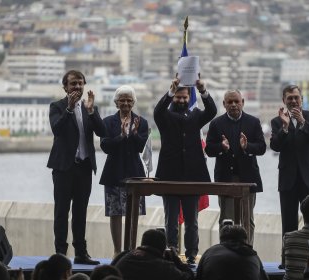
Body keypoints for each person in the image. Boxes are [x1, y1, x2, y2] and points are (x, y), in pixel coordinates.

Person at [154, 75, 217, 264]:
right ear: (174, 97)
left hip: (192, 176)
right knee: (170, 221)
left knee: (192, 222)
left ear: (189, 98)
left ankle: (191, 256)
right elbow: (157, 111)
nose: (181, 100)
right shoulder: (165, 116)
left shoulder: (196, 115)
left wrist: (202, 90)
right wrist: (170, 91)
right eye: (178, 97)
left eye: (184, 97)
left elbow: (212, 111)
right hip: (170, 176)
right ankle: (171, 253)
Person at [47, 70, 105, 265]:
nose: (77, 87)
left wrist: (92, 111)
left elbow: (102, 132)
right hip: (63, 168)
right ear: (65, 87)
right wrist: (69, 109)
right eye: (73, 84)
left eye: (80, 83)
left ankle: (81, 252)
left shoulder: (89, 108)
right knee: (62, 212)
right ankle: (60, 255)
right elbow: (57, 129)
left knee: (81, 211)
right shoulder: (57, 106)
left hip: (84, 168)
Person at [270, 85, 309, 264]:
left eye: (296, 97)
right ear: (284, 100)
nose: (293, 101)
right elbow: (275, 146)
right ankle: (288, 260)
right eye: (289, 98)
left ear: (301, 99)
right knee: (288, 221)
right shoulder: (277, 121)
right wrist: (285, 127)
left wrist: (302, 122)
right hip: (288, 179)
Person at [205, 89, 266, 245]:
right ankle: (225, 251)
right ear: (224, 104)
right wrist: (221, 147)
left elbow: (261, 148)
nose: (233, 105)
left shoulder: (253, 122)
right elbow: (209, 150)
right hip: (226, 179)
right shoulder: (216, 123)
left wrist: (247, 147)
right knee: (227, 220)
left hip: (248, 179)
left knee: (247, 219)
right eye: (229, 102)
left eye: (236, 101)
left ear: (242, 103)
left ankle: (247, 250)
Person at [99, 85, 148, 257]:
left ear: (133, 102)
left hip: (134, 174)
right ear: (116, 102)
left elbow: (141, 146)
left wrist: (133, 133)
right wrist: (120, 136)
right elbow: (105, 146)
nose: (125, 103)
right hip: (113, 173)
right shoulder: (107, 122)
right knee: (115, 213)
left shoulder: (142, 122)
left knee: (132, 213)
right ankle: (117, 250)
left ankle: (131, 249)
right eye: (122, 100)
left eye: (129, 100)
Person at [113, 229, 194, 280]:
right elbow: (190, 277)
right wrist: (176, 260)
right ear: (162, 250)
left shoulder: (124, 255)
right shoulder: (165, 267)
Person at [196, 224, 269, 280]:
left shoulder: (210, 251)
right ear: (244, 240)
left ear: (221, 239)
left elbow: (198, 276)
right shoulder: (252, 255)